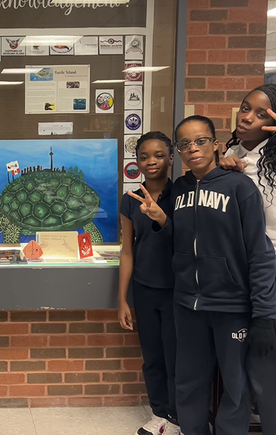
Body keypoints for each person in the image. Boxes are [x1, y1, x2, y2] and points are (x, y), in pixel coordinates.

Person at [131, 115, 276, 435]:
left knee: (236, 386)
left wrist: (265, 312)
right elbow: (179, 241)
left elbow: (259, 251)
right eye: (185, 144)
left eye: (200, 141)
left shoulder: (239, 186)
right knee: (188, 383)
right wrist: (161, 220)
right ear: (178, 151)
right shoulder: (180, 190)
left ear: (215, 144)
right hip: (187, 304)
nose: (193, 148)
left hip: (231, 304)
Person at [219, 85, 276, 435]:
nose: (246, 117)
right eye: (245, 108)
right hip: (260, 270)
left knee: (273, 379)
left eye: (259, 114)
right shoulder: (235, 154)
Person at [117, 131, 180, 435]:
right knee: (152, 357)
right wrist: (122, 299)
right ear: (137, 162)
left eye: (158, 155)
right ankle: (159, 415)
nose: (151, 161)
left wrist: (161, 217)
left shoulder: (183, 194)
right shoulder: (130, 200)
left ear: (171, 158)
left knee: (176, 356)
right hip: (144, 288)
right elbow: (127, 250)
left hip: (179, 289)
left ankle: (178, 417)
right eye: (144, 156)